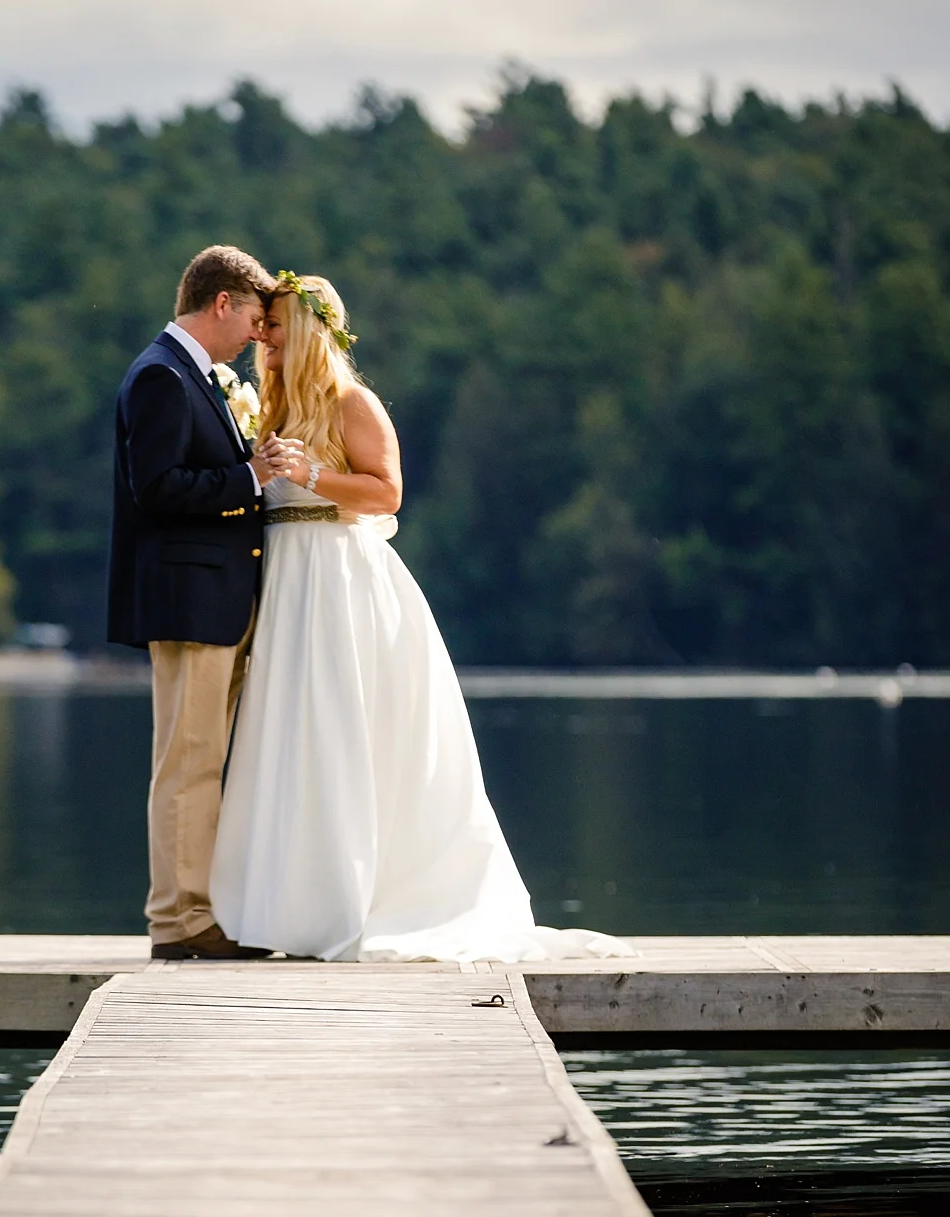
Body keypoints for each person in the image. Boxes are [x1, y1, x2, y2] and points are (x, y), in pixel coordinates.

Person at [210, 272, 631, 963]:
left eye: (276, 324)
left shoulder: (353, 403)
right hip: (287, 583)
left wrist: (312, 474)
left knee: (347, 733)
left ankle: (363, 896)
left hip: (341, 584)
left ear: (310, 329)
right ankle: (287, 910)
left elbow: (386, 493)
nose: (263, 337)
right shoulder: (274, 406)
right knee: (291, 737)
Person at [107, 244, 305, 959]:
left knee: (201, 760)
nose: (258, 331)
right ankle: (179, 923)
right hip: (189, 597)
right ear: (221, 303)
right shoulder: (161, 376)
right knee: (187, 764)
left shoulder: (190, 374)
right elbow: (155, 490)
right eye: (254, 315)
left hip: (212, 596)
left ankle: (203, 913)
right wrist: (249, 474)